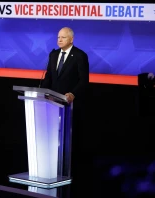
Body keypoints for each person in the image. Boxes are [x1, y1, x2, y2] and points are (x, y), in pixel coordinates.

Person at [41, 27, 89, 195]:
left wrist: (73, 94)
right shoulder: (53, 55)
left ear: (71, 39)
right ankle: (51, 169)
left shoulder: (80, 56)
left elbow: (84, 81)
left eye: (63, 37)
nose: (59, 40)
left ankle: (67, 172)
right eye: (58, 37)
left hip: (70, 105)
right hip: (51, 104)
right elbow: (48, 78)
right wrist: (39, 91)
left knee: (68, 139)